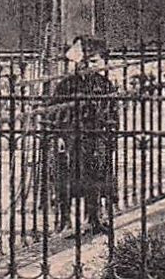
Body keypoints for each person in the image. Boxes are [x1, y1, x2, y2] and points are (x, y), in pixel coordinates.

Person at [51, 35, 119, 233]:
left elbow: (112, 113)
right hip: (72, 138)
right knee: (66, 178)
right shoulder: (66, 85)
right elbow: (55, 112)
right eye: (83, 62)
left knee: (97, 176)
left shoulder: (104, 85)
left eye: (93, 61)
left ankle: (95, 217)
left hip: (96, 137)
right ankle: (65, 220)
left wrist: (110, 136)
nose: (87, 66)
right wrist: (59, 136)